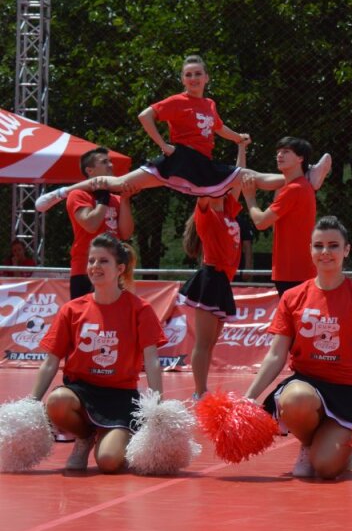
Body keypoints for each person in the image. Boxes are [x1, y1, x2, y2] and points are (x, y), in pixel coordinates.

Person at [35, 55, 331, 212]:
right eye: (188, 75)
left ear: (206, 78)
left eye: (198, 74)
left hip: (200, 163)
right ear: (182, 79)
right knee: (116, 183)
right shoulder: (177, 101)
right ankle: (60, 193)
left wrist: (237, 137)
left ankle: (306, 176)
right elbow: (145, 116)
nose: (193, 78)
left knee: (247, 176)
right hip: (179, 159)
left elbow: (217, 127)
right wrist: (163, 144)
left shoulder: (209, 103)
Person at [244, 216, 352, 480]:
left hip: (347, 391)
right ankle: (308, 443)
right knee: (295, 398)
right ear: (310, 250)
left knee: (325, 469)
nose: (325, 252)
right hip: (306, 385)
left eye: (333, 245)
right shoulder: (293, 296)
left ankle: (339, 445)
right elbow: (276, 355)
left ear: (346, 250)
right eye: (318, 245)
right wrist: (249, 397)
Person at [29, 234, 165, 473]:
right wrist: (30, 403)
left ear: (119, 269)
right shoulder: (71, 309)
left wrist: (157, 407)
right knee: (57, 401)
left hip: (120, 396)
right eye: (91, 261)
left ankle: (116, 434)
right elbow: (50, 362)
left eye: (103, 261)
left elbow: (152, 361)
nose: (94, 267)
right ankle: (85, 437)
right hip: (81, 391)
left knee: (109, 462)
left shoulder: (140, 309)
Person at [179, 192, 242, 399]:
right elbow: (203, 189)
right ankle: (199, 392)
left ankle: (201, 390)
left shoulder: (228, 210)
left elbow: (238, 178)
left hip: (222, 281)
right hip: (210, 278)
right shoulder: (207, 213)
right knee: (203, 343)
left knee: (211, 343)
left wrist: (243, 157)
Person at [242, 137, 318, 296]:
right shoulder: (297, 187)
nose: (279, 155)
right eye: (278, 152)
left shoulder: (294, 189)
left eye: (286, 152)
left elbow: (261, 222)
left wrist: (249, 197)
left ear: (300, 158)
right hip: (295, 271)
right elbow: (274, 225)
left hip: (293, 273)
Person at [65, 148, 135, 300]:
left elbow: (126, 233)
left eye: (110, 161)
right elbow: (91, 224)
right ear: (90, 170)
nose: (110, 165)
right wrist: (102, 198)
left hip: (113, 269)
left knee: (113, 317)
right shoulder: (78, 194)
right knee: (84, 319)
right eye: (104, 162)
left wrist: (124, 199)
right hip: (85, 269)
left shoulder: (115, 199)